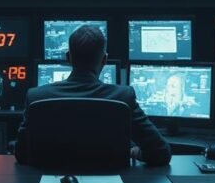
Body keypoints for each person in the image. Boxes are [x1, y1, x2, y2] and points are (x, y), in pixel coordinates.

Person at [15, 25, 171, 166]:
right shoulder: (124, 97)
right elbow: (161, 152)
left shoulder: (36, 96)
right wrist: (133, 151)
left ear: (68, 58)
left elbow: (21, 154)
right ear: (104, 59)